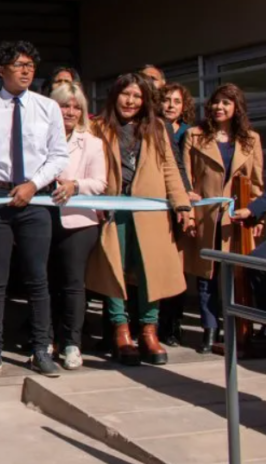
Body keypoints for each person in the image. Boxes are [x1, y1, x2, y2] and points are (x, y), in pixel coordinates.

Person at [0, 40, 68, 378]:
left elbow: (58, 156)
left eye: (30, 65)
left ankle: (41, 348)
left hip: (34, 199)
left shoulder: (48, 107)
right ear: (1, 71)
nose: (26, 70)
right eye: (18, 64)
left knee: (38, 279)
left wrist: (33, 185)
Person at [88, 73, 194, 366]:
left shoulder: (157, 127)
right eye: (126, 95)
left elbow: (170, 169)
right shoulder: (97, 127)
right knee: (114, 270)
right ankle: (121, 331)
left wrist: (182, 205)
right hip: (112, 209)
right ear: (115, 96)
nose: (131, 101)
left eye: (137, 96)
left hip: (150, 213)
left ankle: (149, 331)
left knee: (151, 272)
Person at [183, 84, 263, 353]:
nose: (219, 107)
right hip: (206, 215)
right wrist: (190, 216)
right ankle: (209, 328)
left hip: (238, 220)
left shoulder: (251, 139)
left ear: (236, 108)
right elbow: (187, 181)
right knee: (207, 275)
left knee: (238, 274)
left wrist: (258, 214)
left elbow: (257, 183)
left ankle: (237, 327)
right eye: (216, 102)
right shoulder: (195, 136)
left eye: (226, 103)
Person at [47, 83, 106, 370]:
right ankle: (45, 339)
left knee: (72, 284)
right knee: (44, 283)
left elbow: (100, 183)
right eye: (63, 105)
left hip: (79, 221)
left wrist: (75, 185)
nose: (70, 111)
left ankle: (71, 342)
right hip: (43, 219)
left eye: (75, 106)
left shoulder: (92, 142)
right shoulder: (39, 138)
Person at [158, 82, 198, 346]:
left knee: (178, 269)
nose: (170, 105)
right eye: (166, 100)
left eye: (176, 101)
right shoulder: (149, 129)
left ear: (184, 107)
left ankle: (173, 324)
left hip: (182, 207)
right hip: (156, 206)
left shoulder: (189, 133)